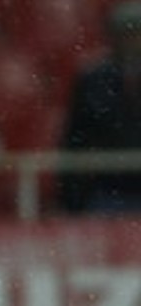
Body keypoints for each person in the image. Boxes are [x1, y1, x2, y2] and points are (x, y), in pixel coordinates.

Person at [58, 0, 141, 215]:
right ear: (114, 37)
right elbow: (75, 137)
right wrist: (72, 198)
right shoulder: (93, 79)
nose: (133, 41)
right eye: (127, 34)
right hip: (108, 190)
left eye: (138, 34)